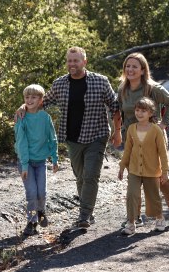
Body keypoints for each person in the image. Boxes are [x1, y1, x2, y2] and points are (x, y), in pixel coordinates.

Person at [17, 47, 121, 228]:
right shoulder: (60, 84)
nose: (72, 64)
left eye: (76, 60)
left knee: (90, 176)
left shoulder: (100, 82)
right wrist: (23, 107)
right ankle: (87, 209)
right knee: (80, 177)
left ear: (84, 62)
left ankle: (84, 216)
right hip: (72, 138)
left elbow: (114, 106)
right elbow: (41, 103)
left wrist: (117, 130)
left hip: (96, 135)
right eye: (69, 61)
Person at [116, 52, 169, 226]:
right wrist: (116, 131)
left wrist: (163, 124)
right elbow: (118, 112)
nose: (130, 69)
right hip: (132, 138)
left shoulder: (152, 88)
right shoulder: (122, 89)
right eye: (127, 66)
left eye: (134, 66)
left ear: (143, 69)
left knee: (157, 176)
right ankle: (135, 216)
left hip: (153, 138)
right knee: (134, 176)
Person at [118, 97, 168, 235]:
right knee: (132, 195)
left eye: (143, 111)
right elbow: (127, 150)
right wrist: (122, 166)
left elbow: (162, 153)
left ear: (151, 113)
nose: (139, 113)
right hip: (134, 169)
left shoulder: (156, 130)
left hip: (152, 170)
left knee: (153, 196)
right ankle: (131, 223)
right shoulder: (131, 129)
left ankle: (159, 218)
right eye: (137, 110)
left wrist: (165, 172)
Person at [14, 84, 59, 236]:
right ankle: (31, 221)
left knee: (42, 192)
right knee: (31, 193)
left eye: (34, 97)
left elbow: (52, 138)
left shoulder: (45, 118)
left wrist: (55, 158)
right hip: (25, 163)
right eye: (27, 97)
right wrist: (25, 166)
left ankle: (41, 211)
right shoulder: (21, 117)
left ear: (41, 100)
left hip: (40, 162)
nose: (30, 99)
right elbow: (21, 143)